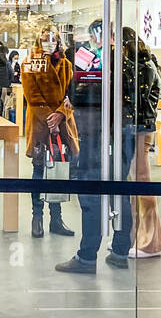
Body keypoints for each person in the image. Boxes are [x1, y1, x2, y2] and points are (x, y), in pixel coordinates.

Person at [56, 22, 138, 274]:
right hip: (122, 130)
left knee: (91, 190)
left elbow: (85, 95)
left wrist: (73, 98)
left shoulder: (99, 61)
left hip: (98, 132)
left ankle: (87, 256)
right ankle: (120, 250)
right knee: (119, 188)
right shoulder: (129, 59)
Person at [21, 28, 77, 238]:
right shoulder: (30, 63)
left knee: (59, 171)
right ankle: (37, 218)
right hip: (40, 126)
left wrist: (61, 115)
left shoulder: (67, 64)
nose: (49, 44)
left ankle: (56, 218)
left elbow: (71, 95)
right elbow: (32, 97)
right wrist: (50, 118)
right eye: (45, 40)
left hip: (63, 124)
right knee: (38, 171)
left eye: (53, 40)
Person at [126, 30, 161, 258]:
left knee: (142, 183)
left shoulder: (143, 69)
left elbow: (139, 102)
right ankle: (135, 238)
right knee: (134, 186)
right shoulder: (143, 66)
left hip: (140, 130)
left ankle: (150, 242)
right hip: (137, 129)